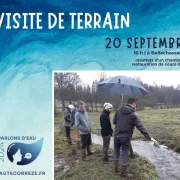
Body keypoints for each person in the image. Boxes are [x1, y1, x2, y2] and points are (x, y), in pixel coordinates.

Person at [113, 98, 151, 176]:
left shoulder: (118, 111)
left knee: (116, 152)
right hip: (125, 137)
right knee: (124, 154)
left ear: (127, 103)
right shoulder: (134, 114)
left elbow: (114, 121)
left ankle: (115, 169)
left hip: (116, 136)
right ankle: (123, 173)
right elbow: (140, 126)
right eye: (135, 105)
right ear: (134, 104)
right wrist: (147, 136)